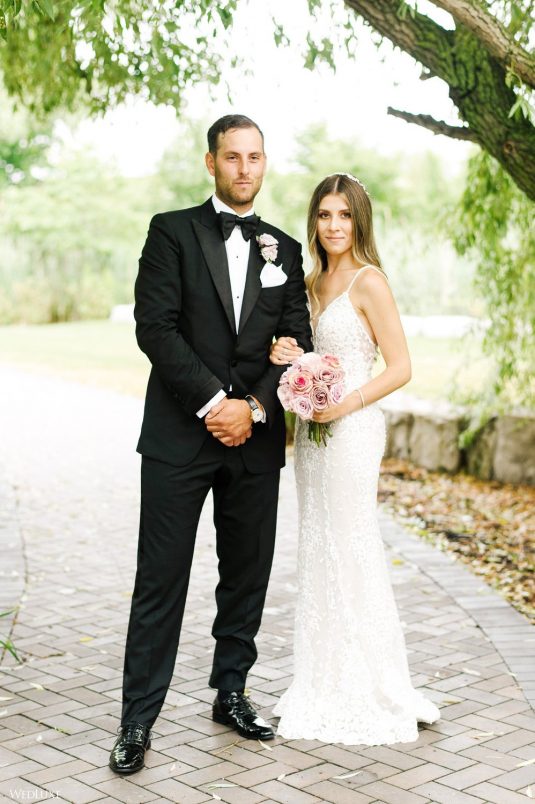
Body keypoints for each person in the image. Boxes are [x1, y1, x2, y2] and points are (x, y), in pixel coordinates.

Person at [109, 114, 312, 774]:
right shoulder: (171, 231)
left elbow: (296, 341)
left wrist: (252, 407)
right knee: (160, 579)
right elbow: (155, 327)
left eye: (255, 156)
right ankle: (137, 720)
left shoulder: (285, 249)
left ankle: (231, 693)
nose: (244, 168)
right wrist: (213, 403)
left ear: (264, 162)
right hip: (179, 436)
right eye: (232, 157)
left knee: (246, 574)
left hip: (253, 441)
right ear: (211, 162)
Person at [270, 173, 440, 745]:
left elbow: (401, 366)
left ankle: (375, 683)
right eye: (324, 215)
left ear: (359, 220)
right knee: (317, 545)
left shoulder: (370, 283)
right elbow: (302, 352)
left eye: (344, 215)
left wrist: (343, 404)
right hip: (311, 436)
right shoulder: (309, 282)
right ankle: (322, 677)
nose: (334, 225)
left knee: (352, 543)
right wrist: (285, 354)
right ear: (313, 221)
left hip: (353, 430)